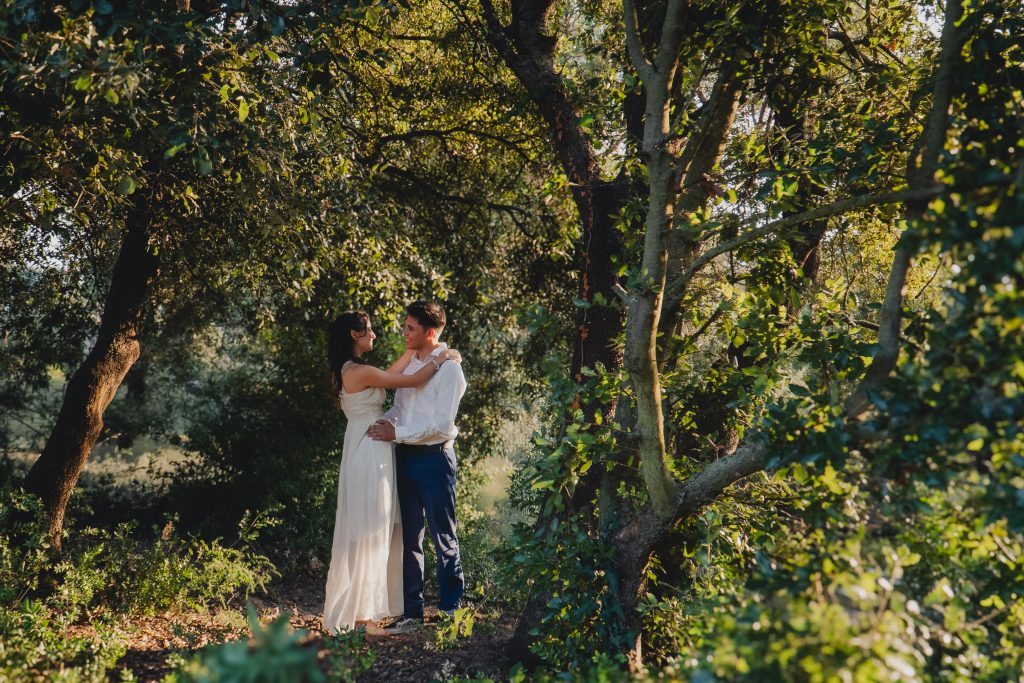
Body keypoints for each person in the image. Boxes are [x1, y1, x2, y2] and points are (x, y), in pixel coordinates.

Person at [322, 310, 460, 635]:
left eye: (409, 329)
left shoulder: (360, 370)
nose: (376, 335)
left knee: (381, 527)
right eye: (369, 330)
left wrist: (426, 346)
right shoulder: (357, 372)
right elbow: (410, 380)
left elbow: (396, 369)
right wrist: (442, 358)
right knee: (369, 527)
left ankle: (370, 611)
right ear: (354, 335)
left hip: (377, 447)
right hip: (369, 449)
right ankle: (362, 613)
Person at [367, 301, 467, 626]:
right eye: (405, 325)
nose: (404, 332)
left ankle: (450, 610)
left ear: (431, 332)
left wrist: (398, 432)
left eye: (410, 328)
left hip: (436, 459)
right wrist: (381, 424)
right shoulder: (411, 365)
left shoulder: (450, 370)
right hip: (405, 457)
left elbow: (440, 424)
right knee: (410, 538)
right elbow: (400, 409)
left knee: (443, 537)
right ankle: (411, 614)